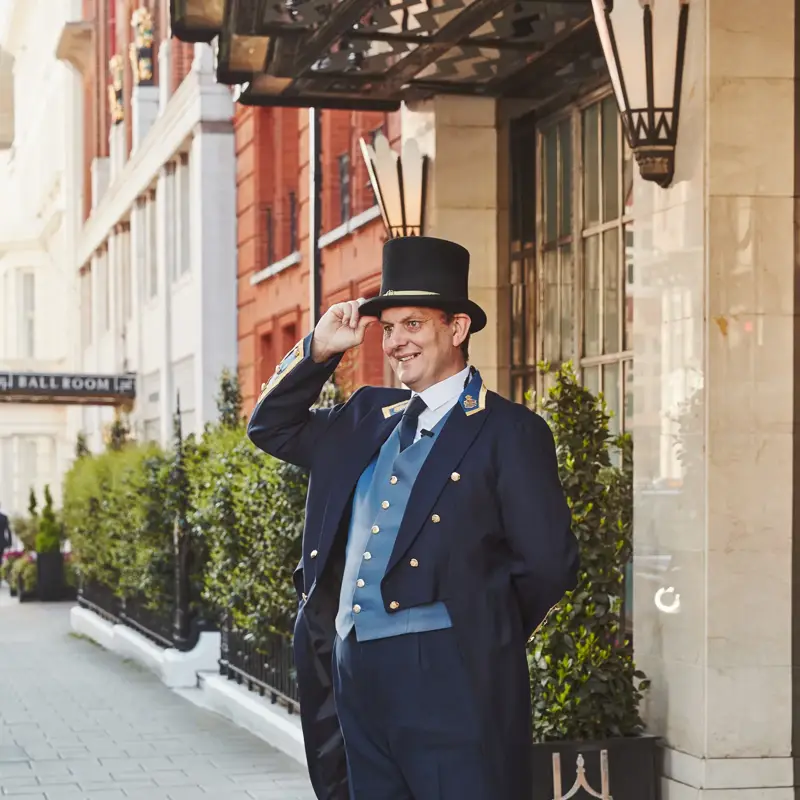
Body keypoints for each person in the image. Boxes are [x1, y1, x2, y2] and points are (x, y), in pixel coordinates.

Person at [248, 236, 579, 800]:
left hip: (449, 676)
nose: (397, 342)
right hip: (352, 670)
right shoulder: (364, 418)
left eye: (413, 325)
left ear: (456, 329)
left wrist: (473, 627)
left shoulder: (510, 432)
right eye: (389, 328)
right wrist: (319, 349)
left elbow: (548, 565)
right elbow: (270, 427)